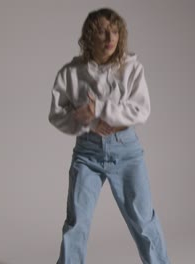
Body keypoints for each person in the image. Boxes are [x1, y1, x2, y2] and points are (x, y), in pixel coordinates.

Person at [48, 7, 171, 264]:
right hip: (87, 153)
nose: (109, 38)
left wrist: (100, 109)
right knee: (76, 223)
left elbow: (141, 110)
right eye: (103, 31)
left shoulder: (131, 68)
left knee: (144, 223)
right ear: (89, 36)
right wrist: (88, 123)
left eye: (114, 31)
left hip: (126, 152)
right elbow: (57, 113)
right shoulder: (72, 73)